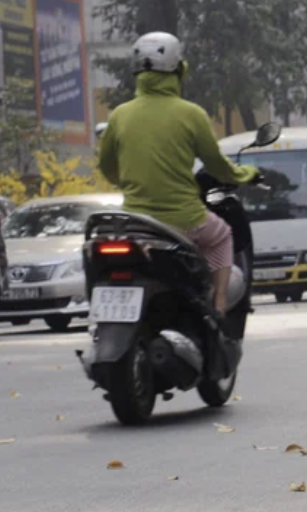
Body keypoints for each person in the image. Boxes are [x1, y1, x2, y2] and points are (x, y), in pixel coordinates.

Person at [98, 33, 260, 314]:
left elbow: (108, 168)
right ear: (178, 70)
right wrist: (245, 174)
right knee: (222, 234)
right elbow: (217, 165)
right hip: (185, 219)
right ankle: (218, 308)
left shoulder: (119, 116)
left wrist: (127, 181)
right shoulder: (191, 114)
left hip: (137, 222)